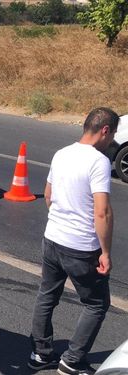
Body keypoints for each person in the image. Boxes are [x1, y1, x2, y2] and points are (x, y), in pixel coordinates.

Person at [28, 107, 118, 375]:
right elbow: (102, 211)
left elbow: (48, 195)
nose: (111, 140)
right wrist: (105, 252)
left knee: (47, 295)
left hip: (53, 238)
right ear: (104, 130)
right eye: (112, 134)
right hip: (81, 246)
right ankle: (72, 360)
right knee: (96, 304)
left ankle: (41, 354)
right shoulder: (98, 161)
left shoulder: (61, 153)